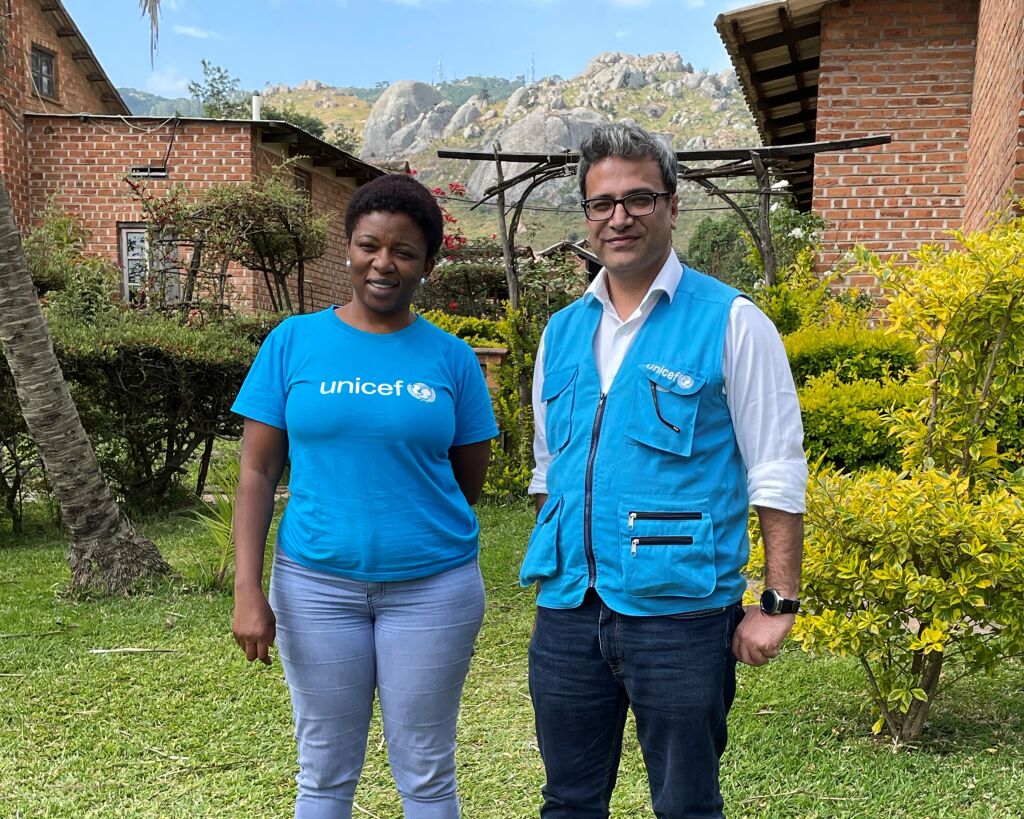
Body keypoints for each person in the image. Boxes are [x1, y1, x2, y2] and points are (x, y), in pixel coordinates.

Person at [521, 123, 807, 818]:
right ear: (587, 216)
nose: (619, 216)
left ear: (672, 205)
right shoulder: (560, 331)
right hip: (567, 615)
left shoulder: (732, 320)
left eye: (639, 197)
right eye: (602, 202)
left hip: (681, 616)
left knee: (685, 804)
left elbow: (776, 465)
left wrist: (778, 602)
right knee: (567, 799)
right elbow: (548, 470)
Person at [230, 172, 498, 819]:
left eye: (403, 251)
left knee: (427, 773)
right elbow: (257, 474)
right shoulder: (292, 342)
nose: (383, 263)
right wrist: (247, 587)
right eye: (368, 244)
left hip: (433, 588)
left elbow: (469, 478)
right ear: (347, 248)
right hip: (316, 589)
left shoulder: (452, 359)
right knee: (322, 773)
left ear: (426, 263)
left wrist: (410, 522)